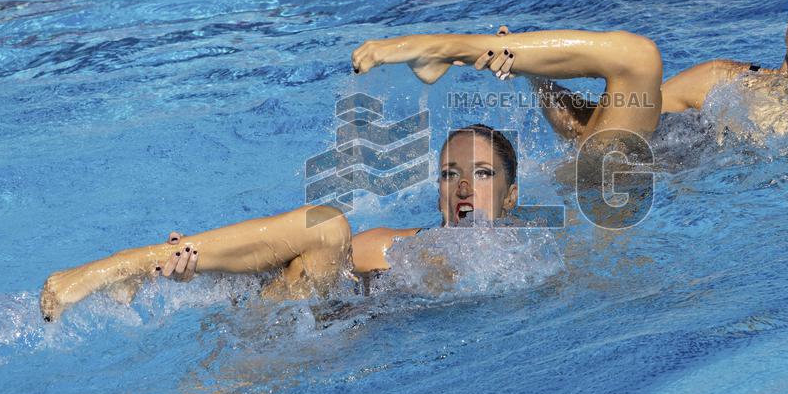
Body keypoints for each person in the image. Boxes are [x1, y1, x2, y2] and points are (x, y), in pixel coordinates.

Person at [40, 125, 519, 322]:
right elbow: (290, 272)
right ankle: (134, 265)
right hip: (289, 329)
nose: (461, 188)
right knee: (328, 223)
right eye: (448, 174)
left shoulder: (525, 262)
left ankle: (140, 267)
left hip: (312, 353)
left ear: (510, 196)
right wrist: (203, 267)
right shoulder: (391, 243)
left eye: (481, 174)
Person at [350, 0, 788, 141]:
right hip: (616, 167)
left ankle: (453, 50)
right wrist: (540, 82)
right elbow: (595, 127)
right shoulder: (725, 79)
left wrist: (540, 80)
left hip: (625, 194)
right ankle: (449, 48)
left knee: (640, 57)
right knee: (639, 57)